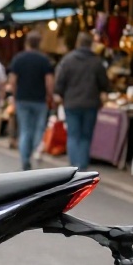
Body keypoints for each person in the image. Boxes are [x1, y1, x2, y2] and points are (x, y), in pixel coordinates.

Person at [53, 30, 109, 171]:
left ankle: (73, 165)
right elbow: (104, 84)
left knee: (73, 134)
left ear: (78, 43)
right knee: (86, 136)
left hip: (71, 103)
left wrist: (60, 94)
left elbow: (59, 83)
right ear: (91, 44)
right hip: (90, 103)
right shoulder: (96, 62)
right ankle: (82, 166)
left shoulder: (67, 60)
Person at [8, 31, 55, 171]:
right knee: (39, 128)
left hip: (22, 99)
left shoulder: (18, 59)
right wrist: (50, 96)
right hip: (40, 100)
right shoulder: (44, 60)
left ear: (27, 43)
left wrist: (15, 97)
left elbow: (12, 81)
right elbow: (49, 82)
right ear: (39, 44)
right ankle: (35, 151)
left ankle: (25, 159)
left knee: (25, 130)